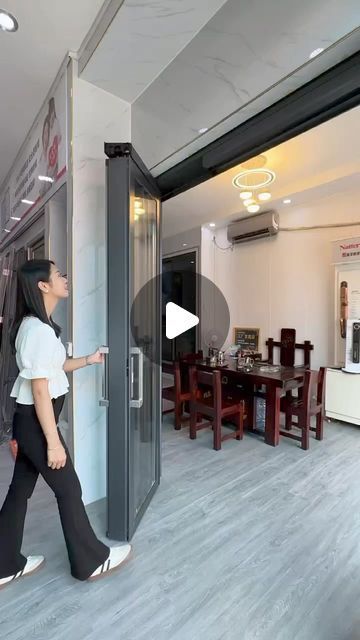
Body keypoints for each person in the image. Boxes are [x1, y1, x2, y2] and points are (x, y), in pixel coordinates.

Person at [0, 259, 131, 589]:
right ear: (43, 286)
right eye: (58, 275)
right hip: (37, 424)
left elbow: (54, 368)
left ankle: (3, 563)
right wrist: (53, 442)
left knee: (19, 492)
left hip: (30, 423)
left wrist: (89, 360)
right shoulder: (37, 331)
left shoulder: (38, 328)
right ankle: (90, 561)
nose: (64, 278)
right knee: (69, 489)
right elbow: (40, 389)